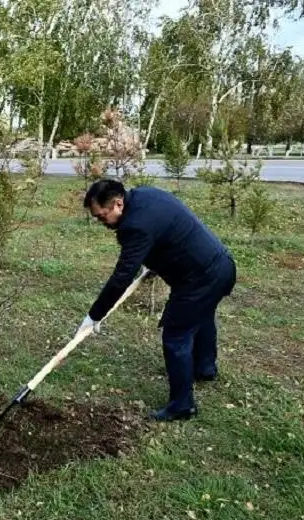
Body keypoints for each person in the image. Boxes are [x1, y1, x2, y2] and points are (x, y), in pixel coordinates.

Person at [80, 179, 236, 422]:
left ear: (118, 203)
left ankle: (182, 406)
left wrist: (94, 315)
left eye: (102, 216)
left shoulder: (135, 226)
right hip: (220, 266)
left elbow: (122, 277)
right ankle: (205, 369)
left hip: (200, 279)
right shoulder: (144, 196)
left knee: (176, 336)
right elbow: (166, 231)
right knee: (202, 315)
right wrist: (154, 261)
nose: (101, 222)